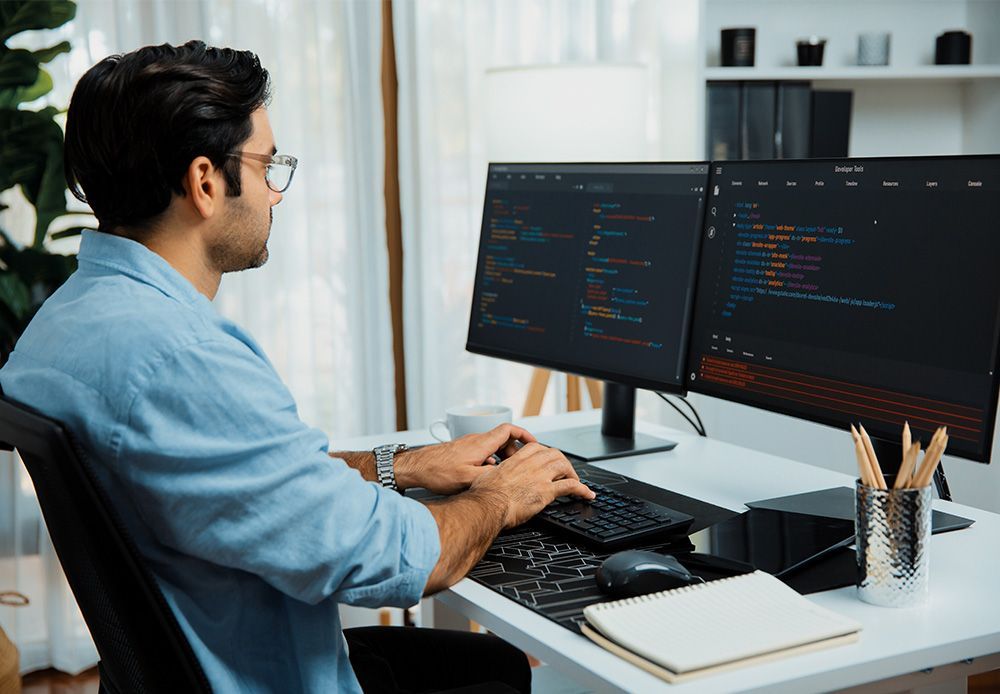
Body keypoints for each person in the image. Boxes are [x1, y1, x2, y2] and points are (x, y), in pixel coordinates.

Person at [0, 41, 593, 693]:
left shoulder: (68, 321)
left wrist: (404, 465)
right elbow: (391, 559)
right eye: (266, 167)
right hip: (266, 676)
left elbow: (237, 481)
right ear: (204, 183)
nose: (275, 195)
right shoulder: (182, 359)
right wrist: (502, 495)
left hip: (200, 660)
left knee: (485, 663)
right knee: (500, 671)